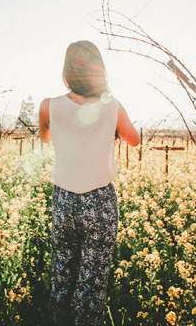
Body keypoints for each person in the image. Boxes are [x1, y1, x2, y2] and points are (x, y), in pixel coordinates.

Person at [38, 40, 140, 326]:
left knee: (62, 271)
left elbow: (45, 138)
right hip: (101, 201)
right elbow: (134, 139)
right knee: (91, 280)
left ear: (67, 71)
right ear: (99, 70)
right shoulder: (112, 106)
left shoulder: (48, 106)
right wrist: (111, 129)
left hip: (63, 200)